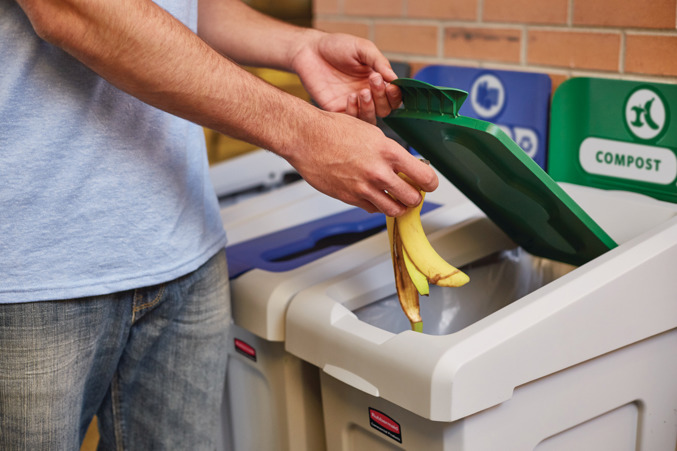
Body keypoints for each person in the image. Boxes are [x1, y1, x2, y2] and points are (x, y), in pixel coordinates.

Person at [0, 0, 438, 448]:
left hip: (187, 247)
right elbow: (75, 9)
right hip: (33, 275)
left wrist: (300, 46)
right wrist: (304, 133)